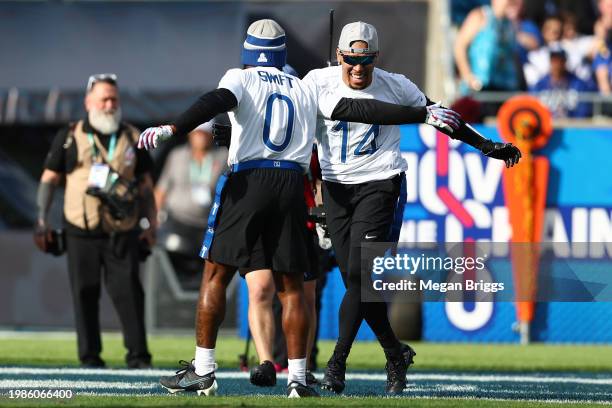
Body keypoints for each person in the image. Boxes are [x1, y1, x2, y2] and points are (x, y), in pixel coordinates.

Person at [137, 19, 472, 398]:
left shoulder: (243, 77)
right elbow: (356, 109)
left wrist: (174, 129)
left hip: (249, 179)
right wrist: (420, 115)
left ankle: (204, 369)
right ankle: (299, 377)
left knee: (216, 275)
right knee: (294, 287)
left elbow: (217, 102)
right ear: (282, 54)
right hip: (293, 187)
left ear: (248, 53)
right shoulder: (304, 86)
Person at [302, 21, 521, 395]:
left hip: (381, 183)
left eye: (366, 60)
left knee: (361, 276)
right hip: (337, 190)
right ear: (339, 56)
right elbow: (354, 109)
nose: (358, 68)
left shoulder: (396, 84)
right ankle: (394, 352)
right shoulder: (317, 83)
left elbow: (442, 116)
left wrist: (484, 145)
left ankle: (337, 361)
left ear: (376, 57)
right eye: (351, 59)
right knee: (357, 282)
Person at [34, 73, 156, 368]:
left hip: (122, 230)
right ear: (89, 102)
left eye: (114, 99)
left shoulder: (131, 136)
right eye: (104, 99)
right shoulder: (70, 135)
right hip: (81, 229)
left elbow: (147, 187)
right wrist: (41, 220)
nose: (110, 104)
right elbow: (49, 179)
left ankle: (138, 356)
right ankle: (90, 357)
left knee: (129, 293)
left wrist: (152, 224)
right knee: (84, 293)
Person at [154, 121, 227, 281]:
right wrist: (155, 218)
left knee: (207, 271)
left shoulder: (222, 157)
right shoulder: (177, 155)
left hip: (209, 225)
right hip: (178, 221)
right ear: (190, 135)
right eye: (197, 133)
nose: (200, 137)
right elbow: (161, 189)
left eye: (204, 133)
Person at [455, 0, 537, 95]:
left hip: (506, 89)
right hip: (480, 88)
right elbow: (460, 46)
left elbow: (517, 52)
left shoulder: (510, 24)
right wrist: (467, 76)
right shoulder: (481, 16)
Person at [530, 46, 596, 118]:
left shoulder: (578, 84)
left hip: (572, 126)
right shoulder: (540, 85)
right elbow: (533, 109)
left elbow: (584, 110)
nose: (557, 64)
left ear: (565, 61)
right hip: (548, 125)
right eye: (554, 60)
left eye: (560, 60)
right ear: (550, 61)